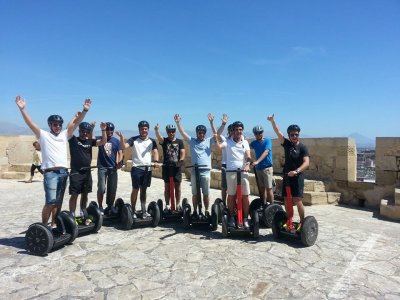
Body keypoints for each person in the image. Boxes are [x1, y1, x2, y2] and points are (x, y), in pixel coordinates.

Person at [15, 95, 91, 227]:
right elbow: (30, 123)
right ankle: (44, 226)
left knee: (58, 202)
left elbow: (76, 123)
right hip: (50, 173)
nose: (58, 126)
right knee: (50, 202)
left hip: (63, 172)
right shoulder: (43, 135)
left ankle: (54, 224)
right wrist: (22, 109)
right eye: (55, 124)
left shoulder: (64, 135)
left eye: (60, 125)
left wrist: (84, 111)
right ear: (50, 125)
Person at [267, 113, 310, 232]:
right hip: (287, 176)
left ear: (298, 135)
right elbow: (278, 132)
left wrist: (296, 171)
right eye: (292, 134)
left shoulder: (303, 148)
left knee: (297, 199)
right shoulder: (287, 144)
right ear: (289, 135)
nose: (294, 136)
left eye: (296, 134)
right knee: (286, 200)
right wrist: (272, 121)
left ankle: (302, 221)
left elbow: (306, 162)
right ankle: (289, 220)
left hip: (297, 177)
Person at [174, 113, 217, 218]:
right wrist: (178, 123)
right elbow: (183, 133)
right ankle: (195, 211)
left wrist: (212, 123)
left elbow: (216, 134)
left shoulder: (208, 141)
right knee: (194, 193)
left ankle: (206, 211)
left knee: (205, 193)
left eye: (202, 133)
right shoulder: (192, 141)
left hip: (205, 171)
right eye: (199, 133)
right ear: (197, 133)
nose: (201, 134)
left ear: (205, 134)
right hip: (194, 171)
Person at [117, 121, 160, 218]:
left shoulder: (152, 141)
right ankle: (132, 209)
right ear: (139, 129)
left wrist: (156, 161)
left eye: (145, 129)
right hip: (136, 168)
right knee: (135, 189)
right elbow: (124, 146)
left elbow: (155, 151)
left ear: (148, 129)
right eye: (142, 129)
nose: (144, 130)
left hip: (147, 169)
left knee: (144, 190)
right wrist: (121, 138)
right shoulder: (134, 139)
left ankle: (144, 209)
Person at [215, 120, 252, 228]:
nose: (238, 132)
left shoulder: (245, 142)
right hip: (231, 172)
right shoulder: (228, 141)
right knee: (231, 196)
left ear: (242, 130)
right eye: (236, 130)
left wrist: (247, 164)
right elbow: (219, 146)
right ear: (233, 131)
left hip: (243, 172)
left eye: (240, 130)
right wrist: (217, 139)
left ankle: (245, 218)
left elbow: (248, 155)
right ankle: (231, 217)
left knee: (245, 196)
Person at [68, 121, 107, 221]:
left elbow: (103, 141)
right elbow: (69, 129)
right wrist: (76, 119)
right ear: (79, 130)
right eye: (83, 131)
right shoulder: (73, 140)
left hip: (87, 172)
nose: (84, 133)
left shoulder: (90, 141)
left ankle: (83, 210)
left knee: (85, 193)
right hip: (76, 171)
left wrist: (103, 130)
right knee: (74, 194)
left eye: (86, 131)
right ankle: (72, 213)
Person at [154, 123, 185, 212]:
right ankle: (167, 205)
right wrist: (156, 131)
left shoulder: (179, 141)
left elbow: (182, 152)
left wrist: (181, 161)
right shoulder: (165, 141)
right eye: (169, 132)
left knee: (177, 186)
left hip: (176, 168)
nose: (171, 133)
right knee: (167, 186)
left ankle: (178, 204)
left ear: (175, 132)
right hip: (167, 167)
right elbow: (159, 138)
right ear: (167, 132)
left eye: (173, 131)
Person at [96, 122, 123, 214]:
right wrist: (93, 128)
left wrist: (119, 161)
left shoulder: (116, 141)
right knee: (101, 188)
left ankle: (110, 206)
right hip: (102, 167)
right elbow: (91, 139)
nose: (110, 131)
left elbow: (120, 152)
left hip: (113, 168)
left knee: (112, 189)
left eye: (111, 130)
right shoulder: (100, 138)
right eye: (108, 129)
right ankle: (100, 207)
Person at [250, 125, 274, 205]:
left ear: (262, 133)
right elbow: (246, 147)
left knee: (269, 188)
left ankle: (272, 206)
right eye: (256, 133)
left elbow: (266, 152)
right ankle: (263, 205)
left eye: (259, 133)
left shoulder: (267, 141)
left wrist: (257, 161)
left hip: (267, 168)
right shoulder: (254, 143)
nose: (258, 135)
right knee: (261, 189)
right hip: (259, 169)